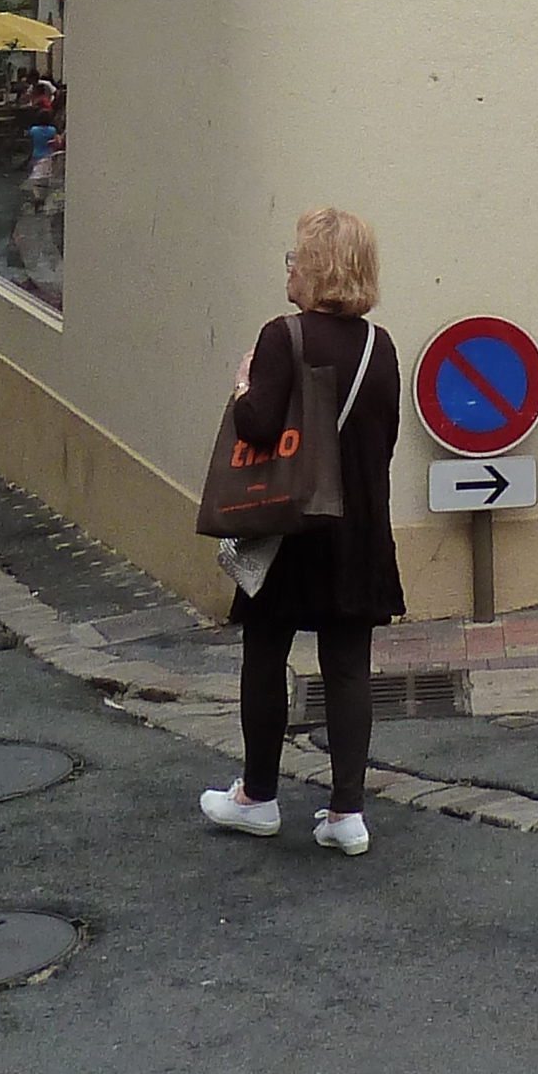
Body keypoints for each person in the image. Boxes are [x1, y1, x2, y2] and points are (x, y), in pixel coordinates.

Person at [201, 206, 403, 853]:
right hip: (357, 528)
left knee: (265, 655)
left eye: (294, 258)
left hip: (288, 527)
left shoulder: (282, 336)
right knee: (347, 667)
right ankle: (346, 813)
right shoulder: (380, 346)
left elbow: (259, 426)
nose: (288, 268)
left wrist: (240, 387)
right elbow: (384, 440)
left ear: (317, 268)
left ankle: (257, 797)